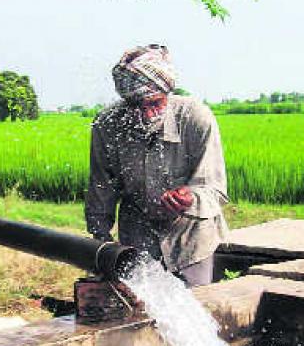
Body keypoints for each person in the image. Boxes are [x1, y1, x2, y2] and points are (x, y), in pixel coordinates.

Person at [85, 44, 229, 287]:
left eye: (155, 104)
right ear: (125, 101)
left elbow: (215, 189)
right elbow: (101, 189)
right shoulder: (107, 125)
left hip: (190, 242)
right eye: (136, 107)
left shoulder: (195, 118)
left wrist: (189, 197)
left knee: (196, 314)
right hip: (137, 241)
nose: (147, 115)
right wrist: (102, 246)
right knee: (139, 318)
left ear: (167, 93)